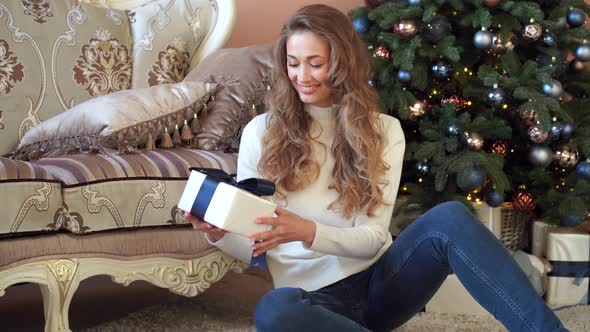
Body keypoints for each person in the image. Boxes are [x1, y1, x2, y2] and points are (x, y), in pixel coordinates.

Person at [184, 4, 567, 332]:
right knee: (273, 310)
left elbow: (371, 237)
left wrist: (307, 231)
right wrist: (218, 234)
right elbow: (256, 245)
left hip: (382, 284)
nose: (302, 76)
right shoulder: (261, 133)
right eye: (293, 63)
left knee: (450, 218)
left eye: (315, 63)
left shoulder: (383, 131)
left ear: (342, 63)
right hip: (313, 301)